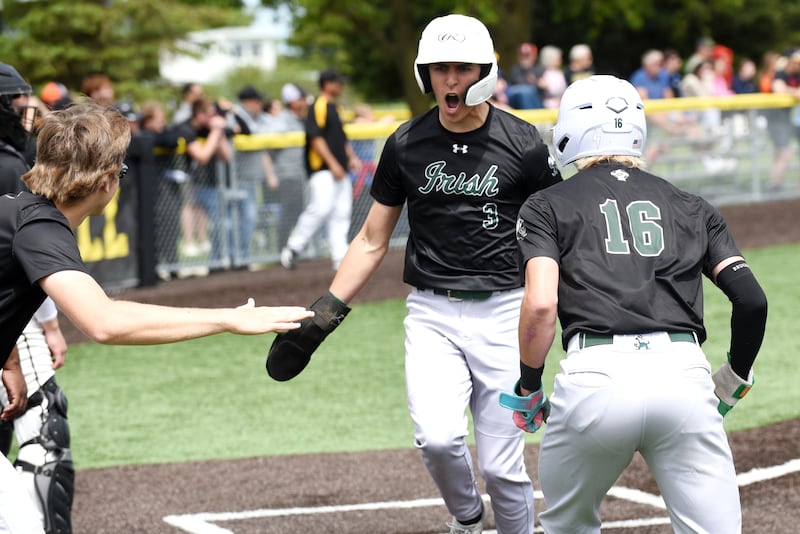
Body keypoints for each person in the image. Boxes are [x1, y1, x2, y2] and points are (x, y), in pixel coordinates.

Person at [267, 14, 562, 533]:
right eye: (439, 68)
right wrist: (326, 311)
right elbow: (372, 239)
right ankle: (468, 517)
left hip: (505, 313)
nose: (451, 80)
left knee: (501, 467)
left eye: (462, 68)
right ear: (425, 74)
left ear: (486, 72)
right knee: (438, 439)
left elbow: (556, 233)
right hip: (432, 312)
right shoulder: (405, 143)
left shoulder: (525, 143)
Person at [0, 102, 314, 533]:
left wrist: (10, 359)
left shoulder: (17, 213)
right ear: (107, 182)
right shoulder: (39, 229)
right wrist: (227, 319)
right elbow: (104, 322)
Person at [501, 74, 767, 534]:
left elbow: (541, 305)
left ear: (570, 133)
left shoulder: (545, 205)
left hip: (595, 377)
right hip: (683, 376)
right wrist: (732, 380)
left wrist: (528, 385)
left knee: (567, 526)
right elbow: (752, 301)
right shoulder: (692, 205)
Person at [0, 61, 74, 534]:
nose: (24, 110)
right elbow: (26, 262)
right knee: (45, 437)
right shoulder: (9, 165)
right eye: (14, 101)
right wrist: (49, 324)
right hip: (17, 318)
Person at [280, 67, 362, 271]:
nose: (341, 86)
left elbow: (341, 138)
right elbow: (315, 137)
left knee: (341, 212)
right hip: (323, 169)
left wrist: (351, 156)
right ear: (327, 84)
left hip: (339, 169)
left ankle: (339, 257)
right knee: (320, 208)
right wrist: (333, 163)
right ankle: (293, 248)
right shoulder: (318, 105)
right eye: (338, 82)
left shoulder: (335, 107)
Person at [173, 97, 233, 269]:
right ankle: (190, 242)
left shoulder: (209, 129)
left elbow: (226, 156)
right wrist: (215, 131)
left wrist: (218, 133)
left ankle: (216, 260)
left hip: (209, 183)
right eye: (209, 114)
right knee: (191, 206)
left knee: (219, 221)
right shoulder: (186, 128)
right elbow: (203, 156)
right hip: (186, 180)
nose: (213, 118)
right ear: (199, 114)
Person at [506, 43, 543, 109]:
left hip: (537, 102)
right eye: (522, 55)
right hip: (518, 103)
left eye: (527, 55)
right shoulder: (515, 69)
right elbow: (517, 83)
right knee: (524, 91)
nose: (525, 58)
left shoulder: (539, 69)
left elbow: (544, 86)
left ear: (534, 56)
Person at [537, 45, 567, 109]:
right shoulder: (544, 73)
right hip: (548, 106)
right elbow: (551, 90)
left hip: (561, 103)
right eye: (558, 58)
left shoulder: (560, 72)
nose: (561, 60)